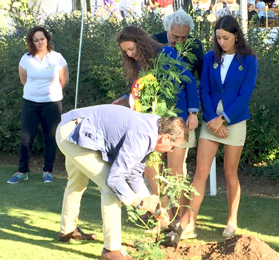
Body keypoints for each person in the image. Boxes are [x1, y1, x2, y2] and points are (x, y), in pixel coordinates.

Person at [56, 104, 188, 260]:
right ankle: (111, 251)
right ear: (165, 137)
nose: (171, 151)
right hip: (73, 132)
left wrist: (154, 207)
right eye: (172, 147)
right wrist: (139, 203)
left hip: (74, 127)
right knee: (109, 188)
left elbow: (134, 173)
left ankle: (67, 230)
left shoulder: (153, 128)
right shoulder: (143, 135)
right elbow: (114, 180)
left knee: (76, 183)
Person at [180, 15, 258, 239]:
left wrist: (223, 118)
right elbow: (204, 89)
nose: (221, 42)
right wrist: (213, 119)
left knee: (230, 172)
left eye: (225, 37)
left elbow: (245, 95)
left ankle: (232, 220)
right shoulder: (210, 58)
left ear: (236, 35)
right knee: (200, 172)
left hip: (234, 121)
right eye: (218, 38)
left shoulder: (249, 60)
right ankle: (189, 224)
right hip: (210, 123)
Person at [113, 26, 199, 220]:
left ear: (141, 42)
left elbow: (188, 81)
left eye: (132, 48)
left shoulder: (166, 53)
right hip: (151, 122)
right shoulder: (140, 64)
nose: (130, 54)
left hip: (176, 118)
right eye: (126, 51)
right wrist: (127, 98)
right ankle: (161, 209)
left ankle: (177, 213)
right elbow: (146, 90)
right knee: (150, 166)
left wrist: (193, 112)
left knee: (174, 170)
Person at [7, 26, 69, 184]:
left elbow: (64, 80)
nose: (40, 42)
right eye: (36, 40)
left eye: (42, 39)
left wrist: (51, 93)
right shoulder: (26, 59)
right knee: (25, 138)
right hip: (30, 103)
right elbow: (24, 79)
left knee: (50, 137)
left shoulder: (57, 58)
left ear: (47, 39)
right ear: (31, 42)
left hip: (52, 103)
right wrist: (35, 93)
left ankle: (47, 171)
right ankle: (22, 171)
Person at [152, 8, 205, 78]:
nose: (179, 41)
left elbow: (203, 75)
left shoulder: (195, 45)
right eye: (175, 37)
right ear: (167, 30)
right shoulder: (154, 41)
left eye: (184, 37)